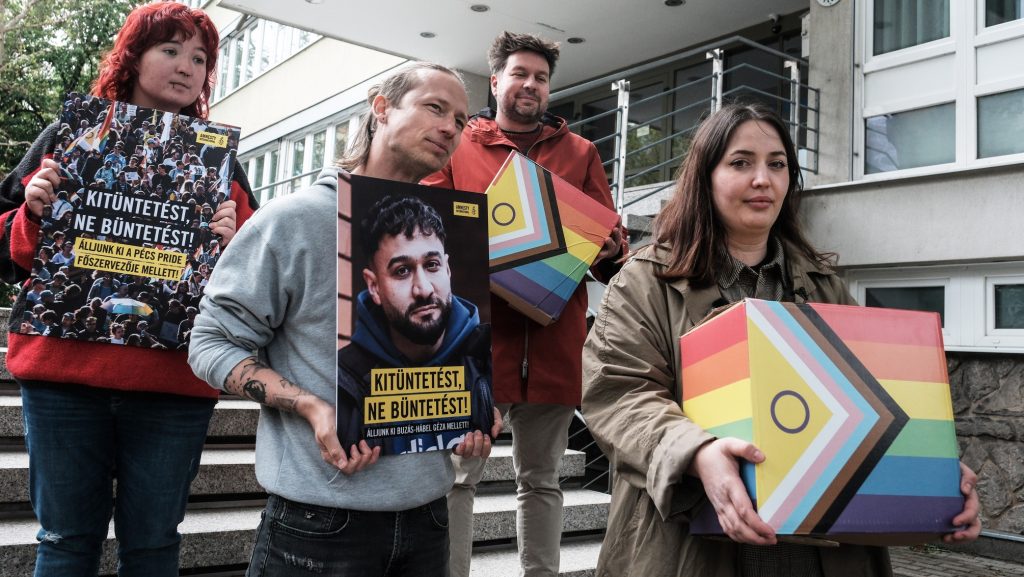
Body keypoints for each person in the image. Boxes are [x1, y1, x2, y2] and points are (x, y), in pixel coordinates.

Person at [579, 103, 981, 577]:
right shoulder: (645, 281)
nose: (762, 180)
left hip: (824, 556)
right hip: (689, 550)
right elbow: (619, 394)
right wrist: (695, 452)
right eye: (740, 162)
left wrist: (933, 475)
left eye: (777, 164)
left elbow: (880, 403)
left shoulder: (827, 287)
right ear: (705, 177)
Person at [189, 61, 498, 577]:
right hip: (319, 523)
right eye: (435, 108)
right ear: (382, 109)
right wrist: (311, 406)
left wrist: (475, 414)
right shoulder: (294, 219)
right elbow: (210, 343)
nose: (450, 128)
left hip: (428, 517)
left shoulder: (452, 237)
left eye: (461, 120)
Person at [0, 3, 258, 575]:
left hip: (173, 384)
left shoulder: (221, 164)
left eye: (200, 58)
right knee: (64, 541)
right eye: (170, 50)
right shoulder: (69, 137)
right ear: (133, 57)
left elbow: (255, 279)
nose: (187, 67)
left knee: (153, 545)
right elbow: (5, 250)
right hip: (63, 377)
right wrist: (32, 214)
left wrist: (232, 241)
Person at [421, 31, 627, 577]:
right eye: (519, 74)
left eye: (541, 77)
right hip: (476, 344)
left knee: (542, 481)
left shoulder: (581, 153)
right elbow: (428, 228)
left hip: (555, 347)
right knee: (458, 477)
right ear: (495, 82)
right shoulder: (460, 145)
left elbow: (608, 254)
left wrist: (610, 249)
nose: (531, 84)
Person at [338, 194, 493, 454]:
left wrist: (489, 418)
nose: (423, 289)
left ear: (447, 270)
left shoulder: (486, 358)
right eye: (402, 271)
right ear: (374, 286)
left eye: (432, 265)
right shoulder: (345, 378)